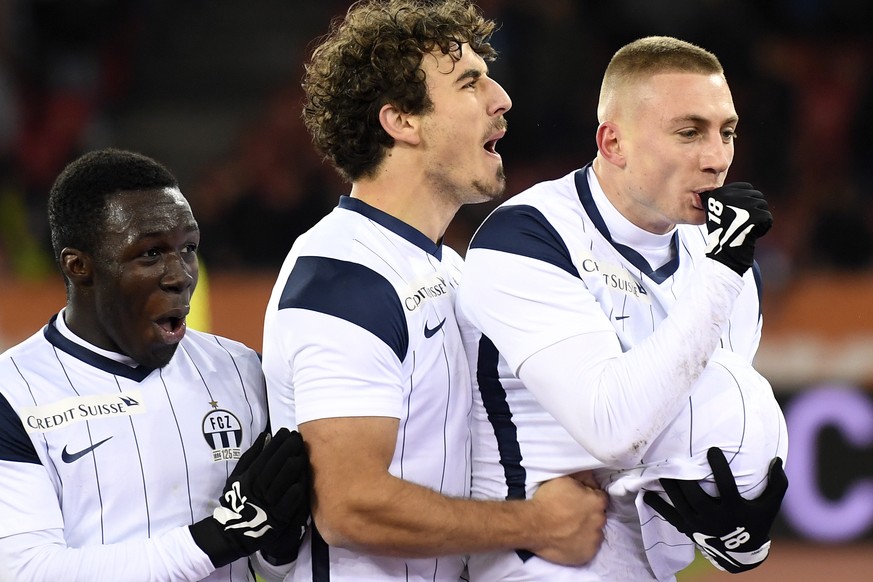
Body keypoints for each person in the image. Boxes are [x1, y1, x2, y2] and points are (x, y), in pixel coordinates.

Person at [261, 1, 607, 580]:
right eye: (470, 84)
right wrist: (535, 523)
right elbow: (351, 506)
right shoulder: (344, 278)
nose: (502, 99)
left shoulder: (447, 267)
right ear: (402, 121)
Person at [455, 36, 789, 581]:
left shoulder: (732, 266)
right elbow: (612, 428)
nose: (717, 159)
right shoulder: (528, 236)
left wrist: (737, 532)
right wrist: (723, 273)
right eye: (689, 132)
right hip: (537, 566)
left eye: (726, 132)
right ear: (613, 143)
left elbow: (705, 432)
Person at [0, 148, 310, 581]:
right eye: (151, 254)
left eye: (188, 248)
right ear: (79, 266)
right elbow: (27, 571)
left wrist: (278, 542)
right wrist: (219, 537)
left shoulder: (242, 372)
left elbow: (277, 566)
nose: (180, 274)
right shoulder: (13, 393)